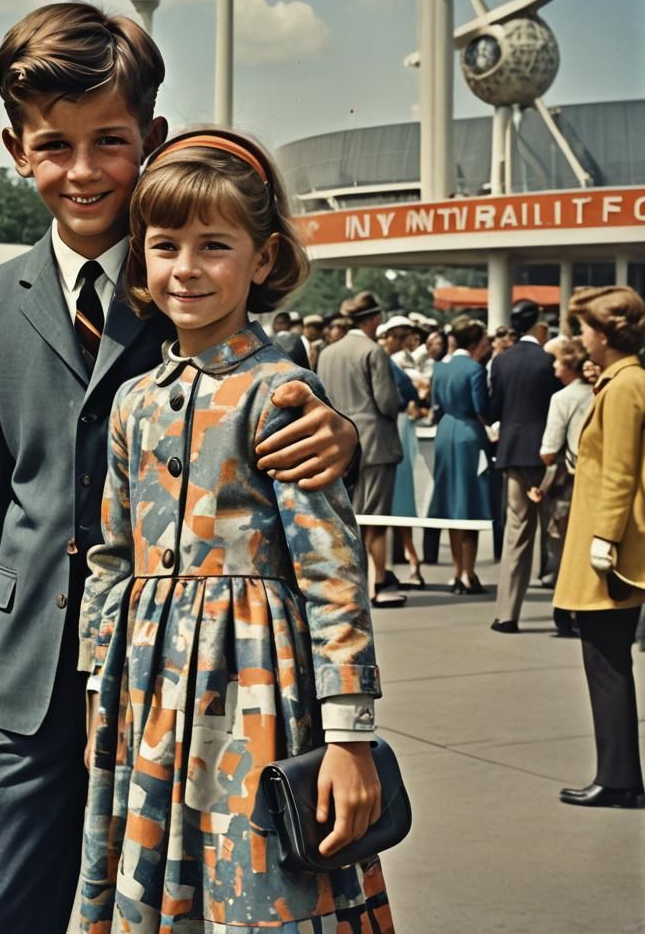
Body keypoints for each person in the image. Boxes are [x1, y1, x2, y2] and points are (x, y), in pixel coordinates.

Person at [0, 2, 361, 934]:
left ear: (150, 137)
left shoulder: (191, 274)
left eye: (109, 142)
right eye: (54, 145)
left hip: (180, 684)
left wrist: (339, 430)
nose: (82, 170)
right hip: (23, 675)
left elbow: (269, 392)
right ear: (14, 147)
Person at [79, 129, 391, 932]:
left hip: (255, 685)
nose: (186, 266)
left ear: (262, 259)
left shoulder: (282, 393)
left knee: (254, 884)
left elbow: (333, 573)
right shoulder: (133, 402)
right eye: (165, 245)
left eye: (214, 245)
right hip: (145, 686)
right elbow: (111, 556)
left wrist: (350, 738)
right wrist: (95, 688)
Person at [554, 286, 645, 809]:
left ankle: (617, 778)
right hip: (602, 539)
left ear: (606, 335)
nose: (579, 337)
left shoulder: (626, 384)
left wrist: (605, 540)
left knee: (607, 665)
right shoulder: (619, 380)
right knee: (605, 662)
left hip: (607, 546)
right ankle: (619, 774)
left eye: (585, 328)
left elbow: (620, 472)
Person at [319, 291, 406, 606]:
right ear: (373, 318)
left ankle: (347, 582)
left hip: (336, 443)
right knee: (376, 518)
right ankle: (378, 584)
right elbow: (387, 403)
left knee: (344, 518)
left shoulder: (328, 352)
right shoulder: (373, 351)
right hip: (373, 443)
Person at [486, 299, 561, 633]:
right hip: (547, 453)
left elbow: (494, 408)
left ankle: (507, 613)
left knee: (517, 532)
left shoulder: (502, 361)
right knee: (555, 531)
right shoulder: (548, 360)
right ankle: (565, 611)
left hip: (513, 452)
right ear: (538, 324)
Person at [529, 340, 593, 635]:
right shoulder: (597, 392)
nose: (552, 366)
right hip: (594, 478)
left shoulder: (562, 398)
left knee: (562, 544)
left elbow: (549, 448)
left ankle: (565, 609)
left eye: (556, 361)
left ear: (568, 365)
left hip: (567, 480)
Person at [428, 316, 493, 594]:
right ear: (477, 341)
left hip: (446, 429)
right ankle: (469, 571)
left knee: (451, 502)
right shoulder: (475, 369)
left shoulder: (440, 368)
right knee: (470, 502)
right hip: (468, 431)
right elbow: (482, 407)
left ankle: (457, 571)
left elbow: (435, 402)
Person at [381, 316, 424, 586]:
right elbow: (411, 393)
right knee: (398, 500)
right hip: (395, 429)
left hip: (390, 430)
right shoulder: (388, 361)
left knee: (390, 502)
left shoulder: (388, 360)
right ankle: (409, 561)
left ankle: (404, 561)